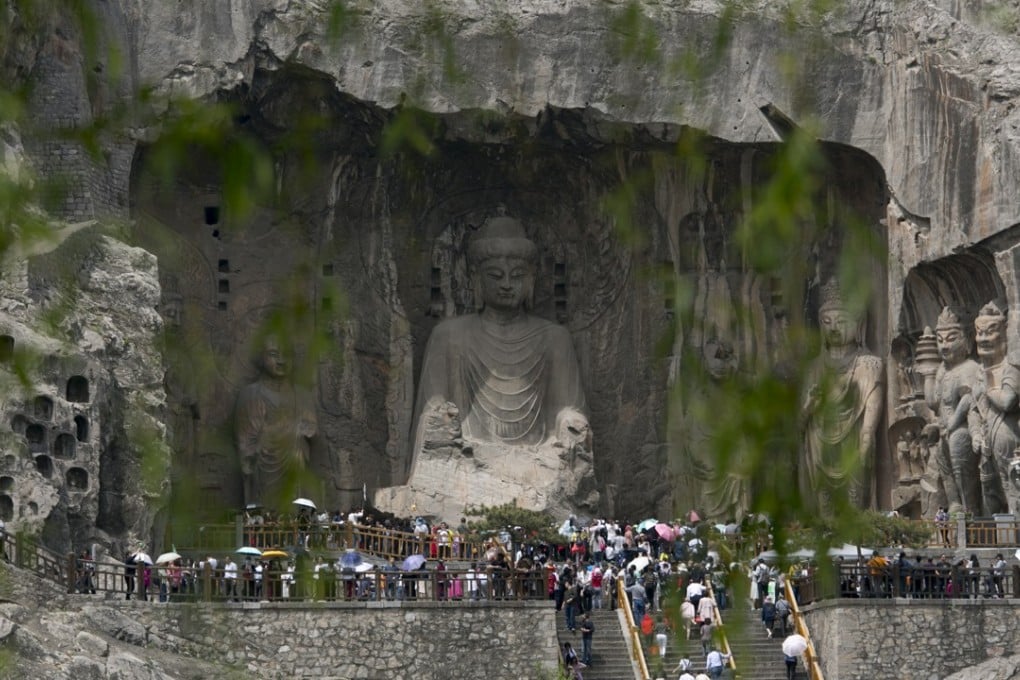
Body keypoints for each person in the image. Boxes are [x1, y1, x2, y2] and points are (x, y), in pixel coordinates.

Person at [800, 278, 884, 511]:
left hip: (854, 437)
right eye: (827, 322)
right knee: (824, 502)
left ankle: (858, 540)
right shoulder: (813, 368)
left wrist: (867, 434)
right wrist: (809, 405)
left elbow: (872, 404)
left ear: (857, 325)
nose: (834, 328)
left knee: (855, 496)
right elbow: (798, 422)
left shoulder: (869, 364)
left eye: (841, 321)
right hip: (819, 438)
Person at [234, 335, 317, 513]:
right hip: (264, 465)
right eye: (273, 354)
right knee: (264, 507)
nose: (281, 360)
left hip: (294, 464)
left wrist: (297, 433)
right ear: (261, 358)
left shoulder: (302, 396)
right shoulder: (251, 395)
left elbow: (311, 429)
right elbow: (246, 442)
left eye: (286, 355)